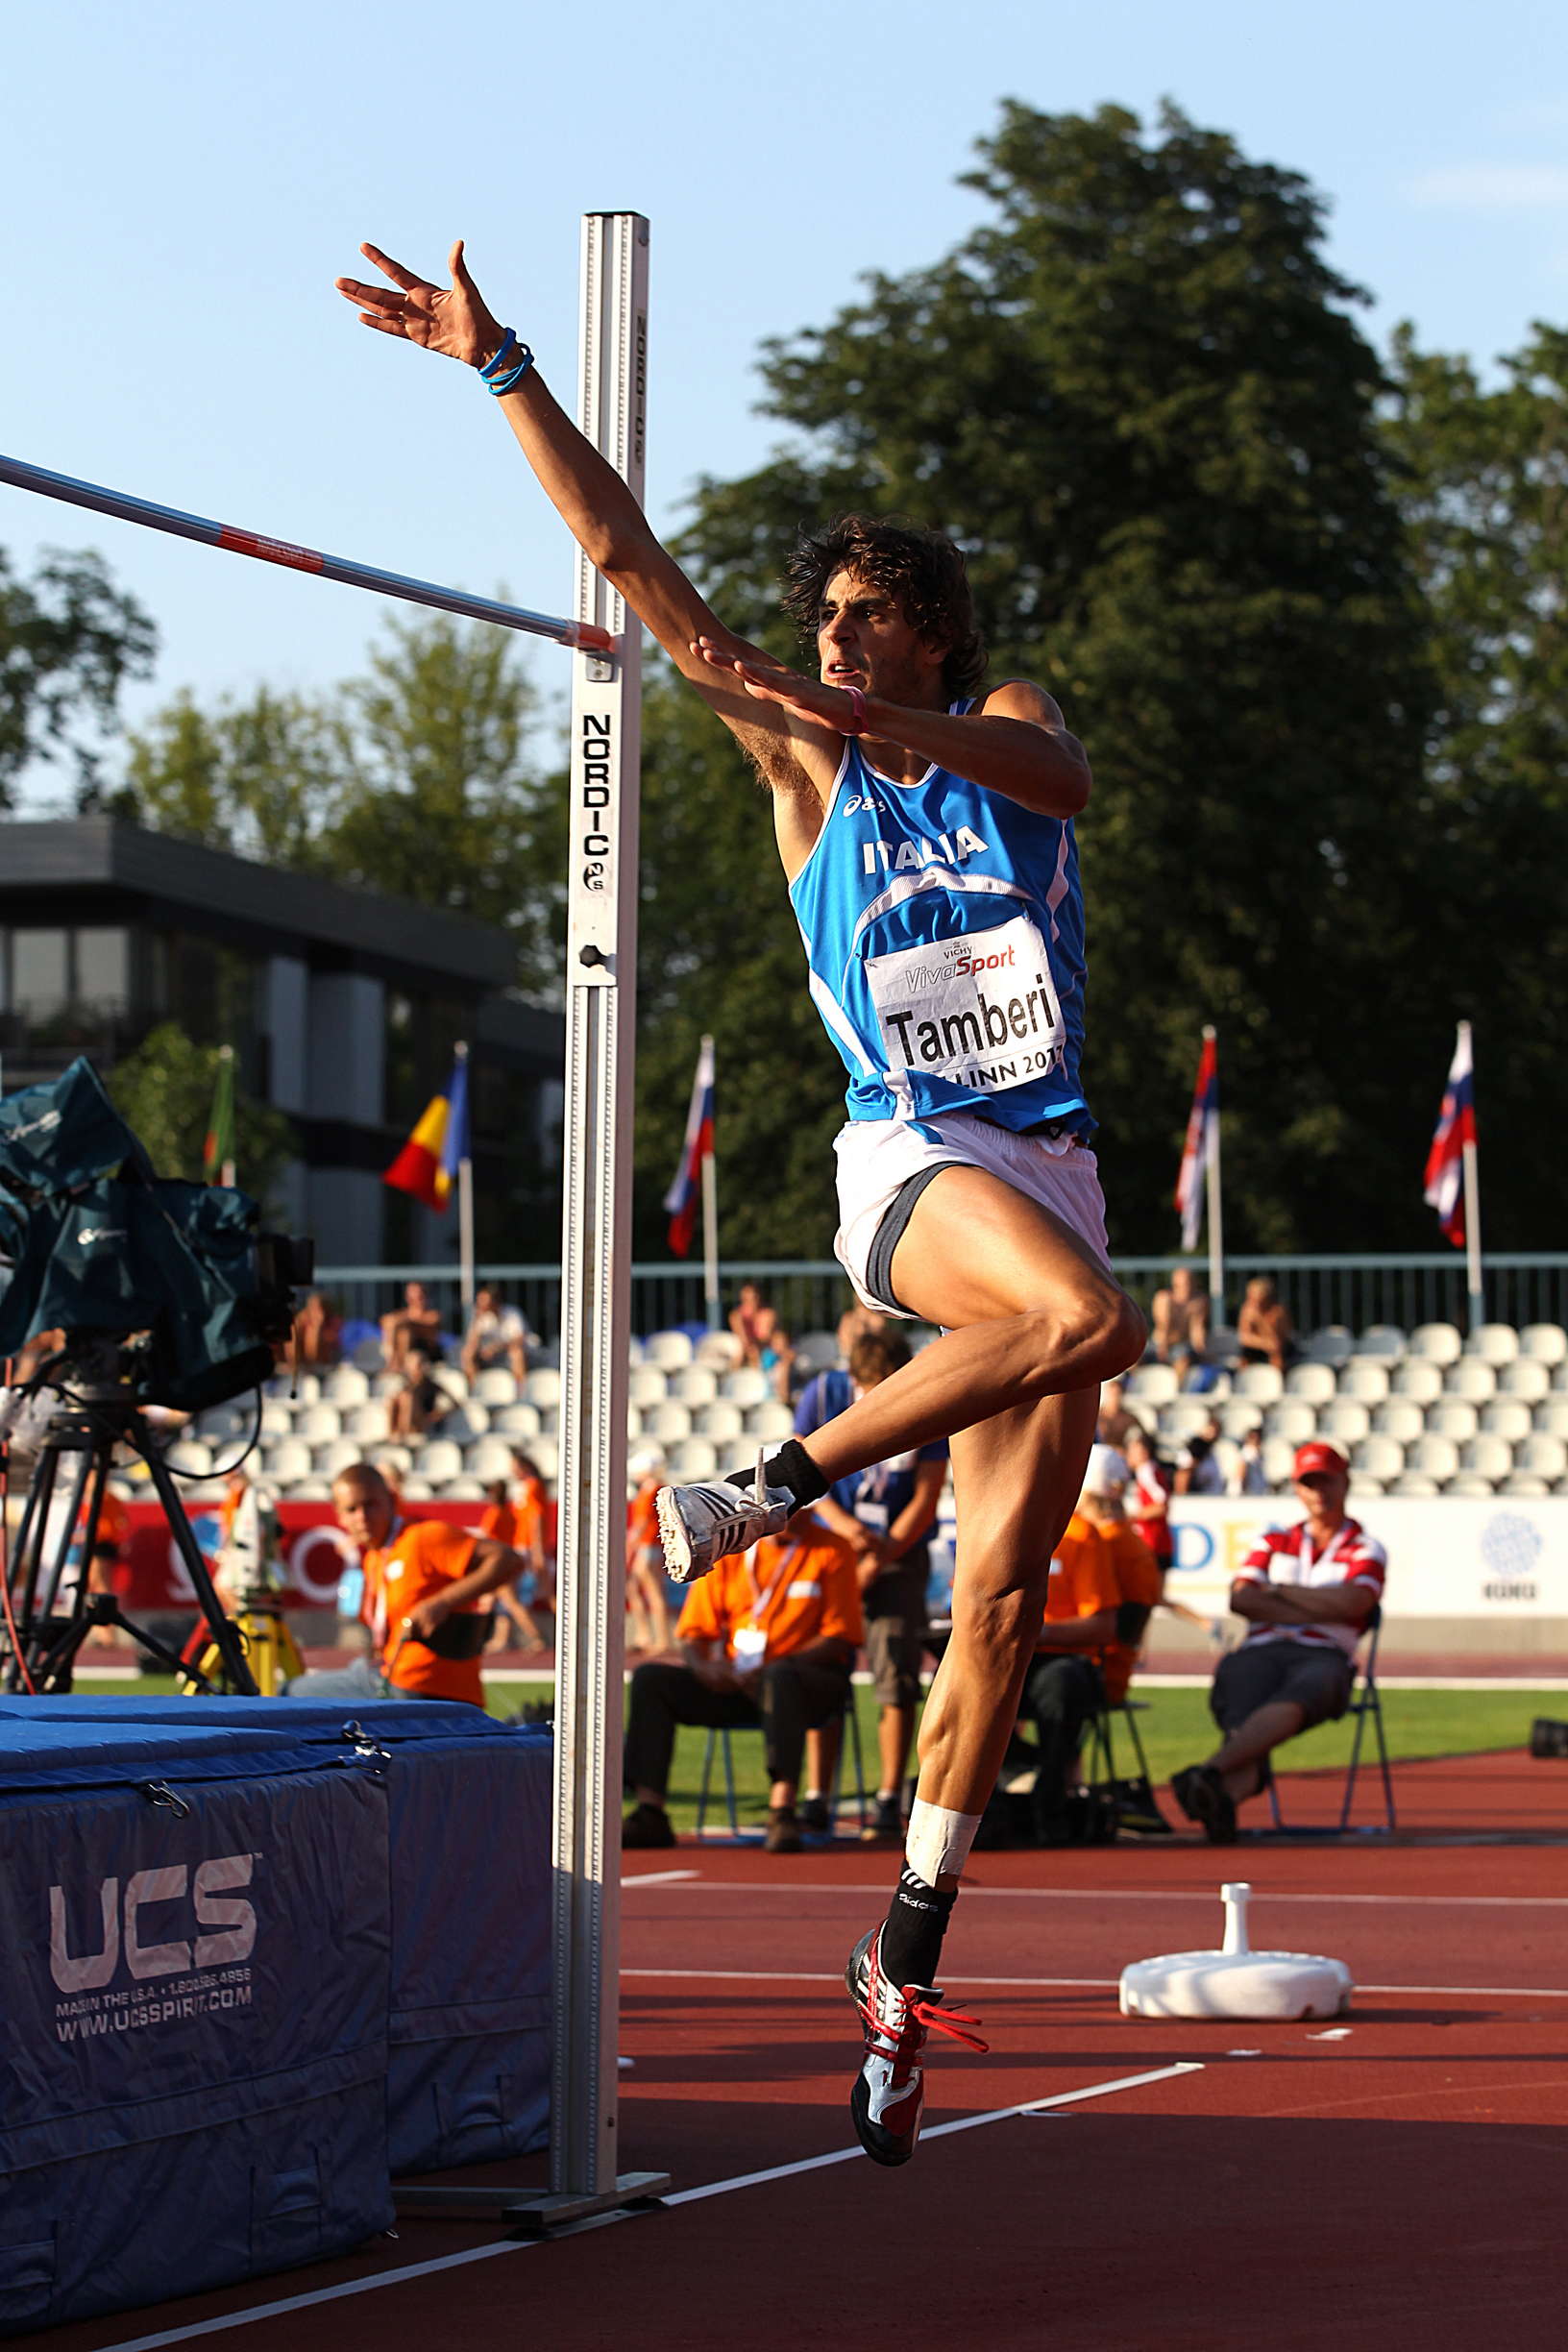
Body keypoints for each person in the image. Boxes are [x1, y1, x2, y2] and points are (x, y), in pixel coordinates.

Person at [336, 239, 1143, 2167]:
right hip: (913, 1161)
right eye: (827, 621)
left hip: (1051, 1161)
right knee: (1087, 1321)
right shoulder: (799, 766)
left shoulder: (994, 722)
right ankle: (765, 1484)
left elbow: (1058, 775)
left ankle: (900, 1962)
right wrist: (501, 366)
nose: (840, 642)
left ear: (933, 632)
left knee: (999, 1604)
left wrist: (886, 718)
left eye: (873, 617)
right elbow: (632, 566)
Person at [1171, 1442, 1385, 1841]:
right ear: (1297, 1489)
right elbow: (1241, 1599)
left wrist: (1279, 1593)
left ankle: (1211, 1773)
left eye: (1326, 1481)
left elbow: (1356, 1602)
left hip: (1325, 1656)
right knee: (1238, 1682)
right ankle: (1219, 1792)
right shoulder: (1274, 1538)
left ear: (1345, 1482)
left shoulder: (1366, 1546)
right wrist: (1321, 1608)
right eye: (1309, 1483)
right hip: (1261, 1650)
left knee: (1303, 1690)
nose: (1318, 1492)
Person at [621, 1519, 864, 1854]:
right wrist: (705, 1667)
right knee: (651, 1679)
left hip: (805, 1684)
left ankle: (782, 1810)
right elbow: (693, 1632)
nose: (792, 1516)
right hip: (737, 1682)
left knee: (780, 1678)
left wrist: (773, 1667)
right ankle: (650, 1811)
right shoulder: (731, 1553)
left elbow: (840, 1635)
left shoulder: (832, 1549)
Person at [794, 1331, 946, 1838]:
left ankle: (887, 1796)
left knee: (895, 1672)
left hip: (897, 1551)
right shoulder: (824, 1395)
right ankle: (817, 1794)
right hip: (837, 1547)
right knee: (822, 1665)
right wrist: (845, 1529)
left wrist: (880, 1556)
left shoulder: (929, 1400)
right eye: (870, 1389)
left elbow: (926, 1497)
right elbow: (799, 1469)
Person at [1013, 1446, 1162, 1843]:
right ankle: (1024, 1780)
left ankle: (1044, 1785)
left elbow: (1113, 1628)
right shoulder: (1116, 1539)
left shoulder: (1097, 1540)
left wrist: (1035, 1632)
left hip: (1093, 1664)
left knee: (1059, 1685)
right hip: (1074, 1660)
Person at [331, 1460, 527, 1705]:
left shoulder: (422, 1538)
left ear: (391, 1500)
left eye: (371, 1505)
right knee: (355, 1669)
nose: (362, 1517)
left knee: (294, 1692)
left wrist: (441, 1603)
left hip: (420, 1682)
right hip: (391, 1671)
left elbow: (509, 1560)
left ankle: (533, 1637)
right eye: (352, 1509)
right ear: (340, 1517)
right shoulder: (375, 1558)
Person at [479, 1479, 549, 1651]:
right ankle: (501, 1639)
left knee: (508, 1601)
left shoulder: (494, 1513)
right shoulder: (510, 1512)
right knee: (501, 1601)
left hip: (496, 1562)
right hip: (508, 1557)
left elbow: (486, 1538)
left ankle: (536, 1636)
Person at [625, 1448, 674, 1656]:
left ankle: (662, 1639)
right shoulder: (651, 1489)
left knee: (654, 1592)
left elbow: (643, 1522)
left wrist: (631, 1545)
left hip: (648, 1545)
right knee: (634, 1588)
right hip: (647, 1545)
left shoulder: (653, 1490)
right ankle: (644, 1635)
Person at [728, 1281, 795, 1402]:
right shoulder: (737, 1316)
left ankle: (783, 1400)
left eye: (754, 1298)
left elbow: (769, 1338)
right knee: (747, 1352)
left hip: (767, 1353)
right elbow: (745, 1341)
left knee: (785, 1361)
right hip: (753, 1353)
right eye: (747, 1299)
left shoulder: (768, 1315)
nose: (751, 1302)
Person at [461, 1285, 530, 1386]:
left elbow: (519, 1339)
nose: (481, 1304)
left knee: (516, 1353)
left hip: (509, 1352)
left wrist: (496, 1348)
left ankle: (520, 1388)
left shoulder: (512, 1313)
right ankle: (474, 1387)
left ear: (495, 1302)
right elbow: (472, 1341)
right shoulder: (480, 1316)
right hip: (487, 1354)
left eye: (484, 1301)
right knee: (468, 1352)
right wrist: (477, 1321)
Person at [1149, 1265, 1210, 1379]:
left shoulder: (1198, 1302)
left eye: (1189, 1283)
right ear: (1175, 1284)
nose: (1186, 1287)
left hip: (1181, 1345)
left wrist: (1202, 1351)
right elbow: (1163, 1325)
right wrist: (1163, 1347)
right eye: (1183, 1284)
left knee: (1183, 1360)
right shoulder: (1164, 1298)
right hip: (1158, 1343)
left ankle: (1176, 1388)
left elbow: (1197, 1330)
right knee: (1134, 1360)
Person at [387, 1346, 454, 1442]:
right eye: (419, 1364)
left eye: (423, 1363)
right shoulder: (407, 1386)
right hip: (409, 1424)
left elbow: (455, 1403)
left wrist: (437, 1415)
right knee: (396, 1399)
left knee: (408, 1398)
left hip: (424, 1426)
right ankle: (394, 1433)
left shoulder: (431, 1385)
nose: (422, 1367)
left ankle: (405, 1433)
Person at [1237, 1276, 1296, 1373]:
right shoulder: (1247, 1310)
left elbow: (1277, 1339)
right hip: (1260, 1345)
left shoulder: (1278, 1311)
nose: (1252, 1299)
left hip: (1280, 1345)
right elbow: (1244, 1337)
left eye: (1256, 1295)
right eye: (1250, 1295)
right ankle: (1243, 1379)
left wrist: (1260, 1320)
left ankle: (1278, 1378)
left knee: (1276, 1354)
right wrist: (1263, 1343)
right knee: (1244, 1357)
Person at [380, 1280, 443, 1373]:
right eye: (413, 1296)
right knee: (402, 1333)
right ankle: (394, 1362)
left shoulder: (433, 1315)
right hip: (403, 1356)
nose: (417, 1299)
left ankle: (395, 1365)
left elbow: (424, 1325)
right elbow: (387, 1321)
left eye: (420, 1296)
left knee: (406, 1334)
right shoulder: (402, 1315)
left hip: (427, 1354)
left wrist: (403, 1322)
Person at [1173, 1413, 1225, 1496]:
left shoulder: (1211, 1451)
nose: (1213, 1435)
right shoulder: (1195, 1447)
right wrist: (1182, 1498)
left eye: (1216, 1432)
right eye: (1211, 1431)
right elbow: (1183, 1474)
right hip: (1198, 1497)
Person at [292, 1290, 342, 1368]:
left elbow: (315, 1357)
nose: (313, 1312)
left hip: (326, 1366)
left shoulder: (333, 1323)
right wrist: (296, 1325)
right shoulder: (304, 1323)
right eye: (311, 1308)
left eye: (317, 1308)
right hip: (304, 1366)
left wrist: (315, 1328)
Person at [1095, 1377, 1145, 1450]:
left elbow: (1140, 1439)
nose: (1114, 1397)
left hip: (1122, 1454)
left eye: (1117, 1393)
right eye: (1111, 1394)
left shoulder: (1129, 1419)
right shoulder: (1095, 1417)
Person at [1226, 1425, 1271, 1496]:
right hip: (1246, 1494)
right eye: (1252, 1437)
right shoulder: (1246, 1453)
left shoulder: (1260, 1455)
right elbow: (1241, 1474)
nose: (1255, 1440)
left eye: (1257, 1438)